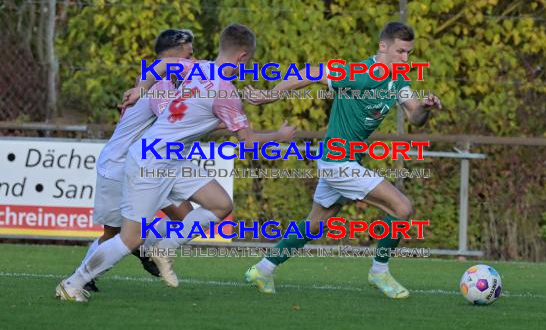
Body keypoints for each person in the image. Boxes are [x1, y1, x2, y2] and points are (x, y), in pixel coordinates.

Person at [56, 23, 296, 302]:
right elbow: (248, 142)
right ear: (243, 57)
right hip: (150, 162)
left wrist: (140, 89)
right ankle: (73, 283)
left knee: (221, 204)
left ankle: (162, 248)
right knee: (128, 237)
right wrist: (279, 136)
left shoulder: (199, 68)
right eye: (250, 60)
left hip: (171, 159)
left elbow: (160, 67)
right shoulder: (226, 92)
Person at [245, 22, 441, 298]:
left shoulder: (397, 80)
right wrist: (270, 96)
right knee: (402, 208)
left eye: (409, 53)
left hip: (342, 162)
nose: (405, 59)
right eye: (400, 51)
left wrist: (426, 108)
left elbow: (414, 116)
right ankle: (379, 272)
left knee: (315, 223)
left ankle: (262, 270)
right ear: (382, 47)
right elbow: (312, 73)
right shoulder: (360, 74)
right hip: (339, 163)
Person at [80, 29, 198, 292]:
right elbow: (175, 119)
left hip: (150, 167)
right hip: (120, 166)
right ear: (175, 53)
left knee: (188, 218)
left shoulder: (163, 80)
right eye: (190, 54)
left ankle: (144, 246)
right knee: (113, 235)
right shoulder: (159, 84)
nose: (193, 60)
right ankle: (84, 277)